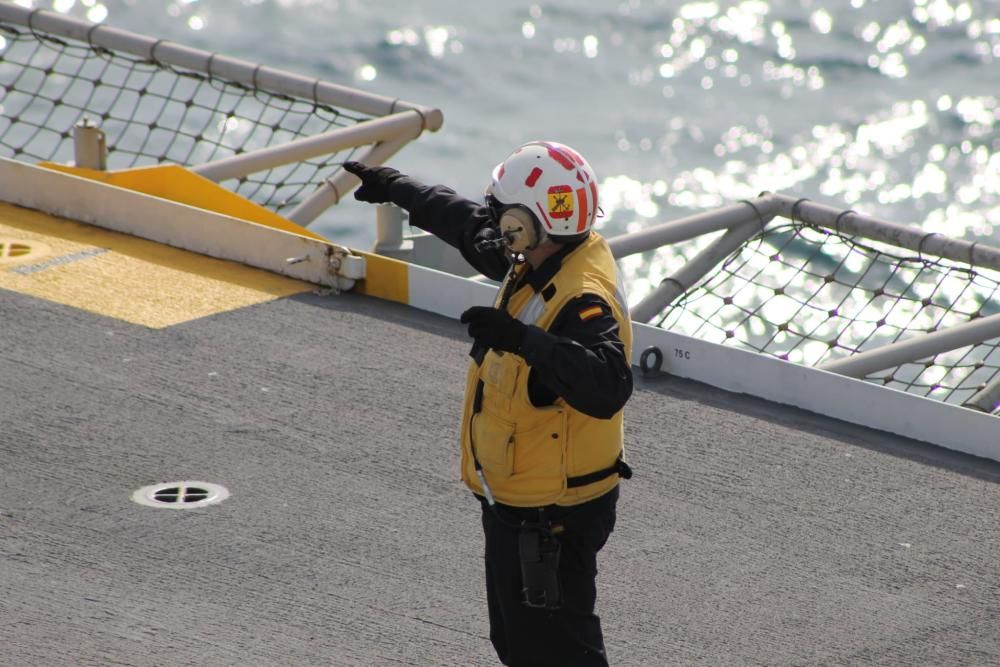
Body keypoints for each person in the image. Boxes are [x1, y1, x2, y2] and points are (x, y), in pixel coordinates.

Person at [343, 140, 633, 667]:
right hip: (522, 496)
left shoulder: (581, 296)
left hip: (555, 514)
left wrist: (521, 341)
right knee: (521, 645)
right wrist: (399, 188)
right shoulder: (545, 254)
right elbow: (469, 227)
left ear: (528, 223)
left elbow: (608, 384)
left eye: (504, 214)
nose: (496, 223)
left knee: (561, 652)